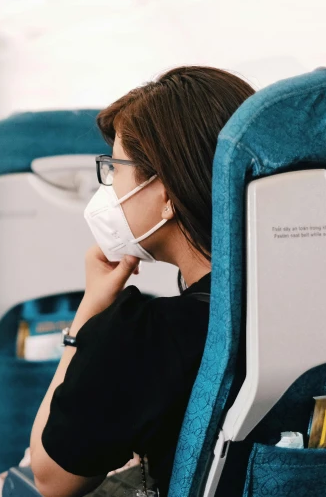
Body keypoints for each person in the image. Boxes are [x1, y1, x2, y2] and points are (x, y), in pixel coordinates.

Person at [29, 66, 255, 497]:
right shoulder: (299, 305)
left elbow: (51, 477)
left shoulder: (147, 335)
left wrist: (88, 314)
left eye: (115, 169)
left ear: (167, 192)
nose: (108, 189)